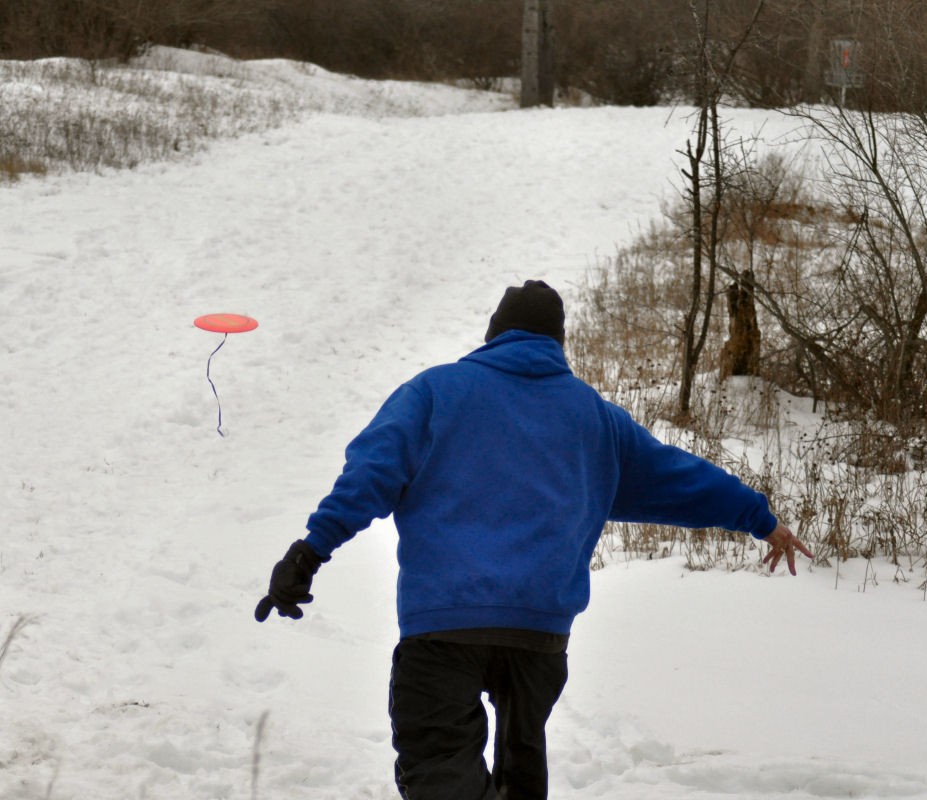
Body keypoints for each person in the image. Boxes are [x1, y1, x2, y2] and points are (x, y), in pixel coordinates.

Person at [255, 279, 812, 800]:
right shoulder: (596, 419)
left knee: (438, 769)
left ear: (493, 334)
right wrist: (760, 519)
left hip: (443, 627)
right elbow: (680, 478)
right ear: (557, 343)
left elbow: (370, 476)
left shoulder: (434, 393)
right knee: (521, 776)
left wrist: (310, 552)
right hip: (539, 636)